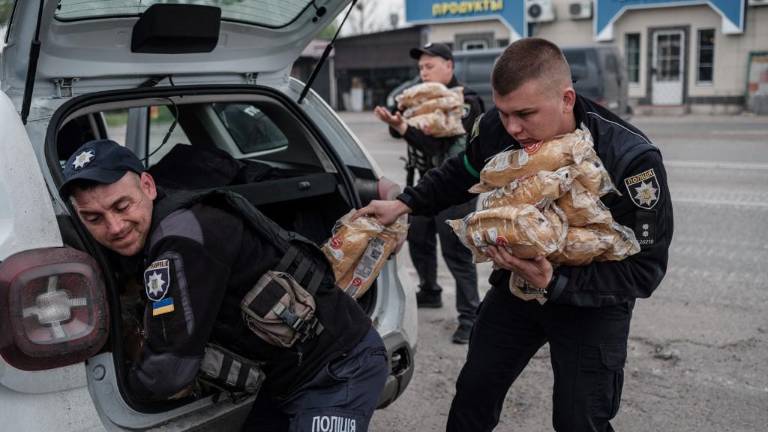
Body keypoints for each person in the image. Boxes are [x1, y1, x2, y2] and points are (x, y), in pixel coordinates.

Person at [357, 38, 674, 431]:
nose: (513, 127)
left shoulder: (630, 159)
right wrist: (404, 203)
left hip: (592, 302)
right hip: (517, 286)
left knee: (580, 421)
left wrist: (555, 281)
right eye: (504, 113)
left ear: (566, 98)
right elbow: (462, 173)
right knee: (474, 393)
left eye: (525, 113)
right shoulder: (499, 127)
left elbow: (644, 271)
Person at [59, 139, 388, 432]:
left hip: (341, 366)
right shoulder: (165, 222)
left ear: (148, 185)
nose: (114, 227)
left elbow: (170, 369)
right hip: (287, 376)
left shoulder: (181, 239)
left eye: (122, 206)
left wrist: (121, 388)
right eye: (93, 218)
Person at [373, 42, 485, 344]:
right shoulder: (420, 98)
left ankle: (470, 317)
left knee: (456, 253)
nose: (424, 72)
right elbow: (402, 127)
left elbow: (436, 144)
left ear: (449, 66)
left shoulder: (464, 102)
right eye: (421, 67)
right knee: (419, 240)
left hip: (455, 189)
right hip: (424, 183)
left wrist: (406, 129)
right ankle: (430, 291)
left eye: (430, 66)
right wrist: (397, 124)